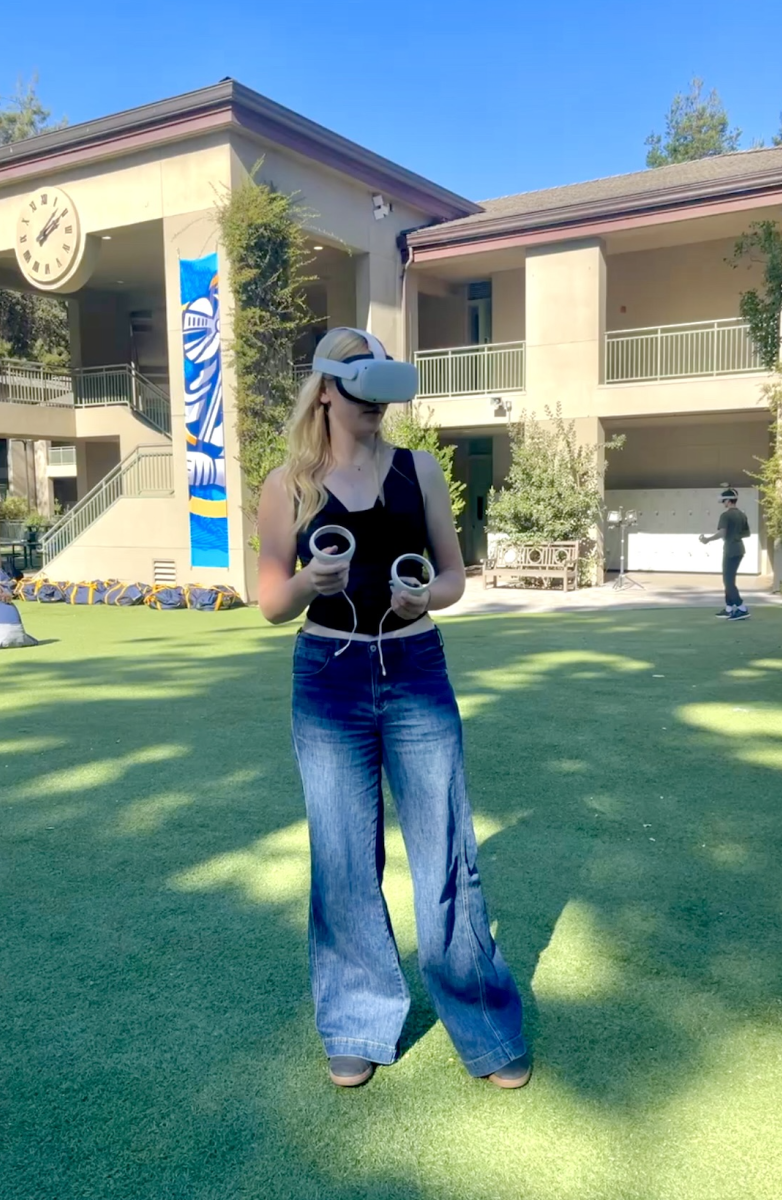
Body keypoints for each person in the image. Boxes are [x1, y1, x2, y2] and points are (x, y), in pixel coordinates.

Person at [257, 327, 529, 1090]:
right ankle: (355, 1021)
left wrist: (425, 597)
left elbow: (454, 577)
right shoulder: (286, 486)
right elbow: (269, 600)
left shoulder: (419, 472)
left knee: (447, 850)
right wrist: (310, 582)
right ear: (328, 392)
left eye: (384, 395)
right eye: (362, 393)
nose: (376, 408)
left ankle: (481, 1021)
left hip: (414, 667)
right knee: (343, 856)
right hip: (328, 675)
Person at [699, 487, 751, 620]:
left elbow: (722, 533)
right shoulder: (742, 514)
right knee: (729, 580)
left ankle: (741, 608)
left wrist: (707, 540)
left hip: (730, 550)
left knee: (728, 581)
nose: (723, 504)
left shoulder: (726, 515)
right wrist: (735, 535)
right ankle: (729, 608)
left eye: (724, 501)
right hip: (739, 549)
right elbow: (747, 533)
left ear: (729, 500)